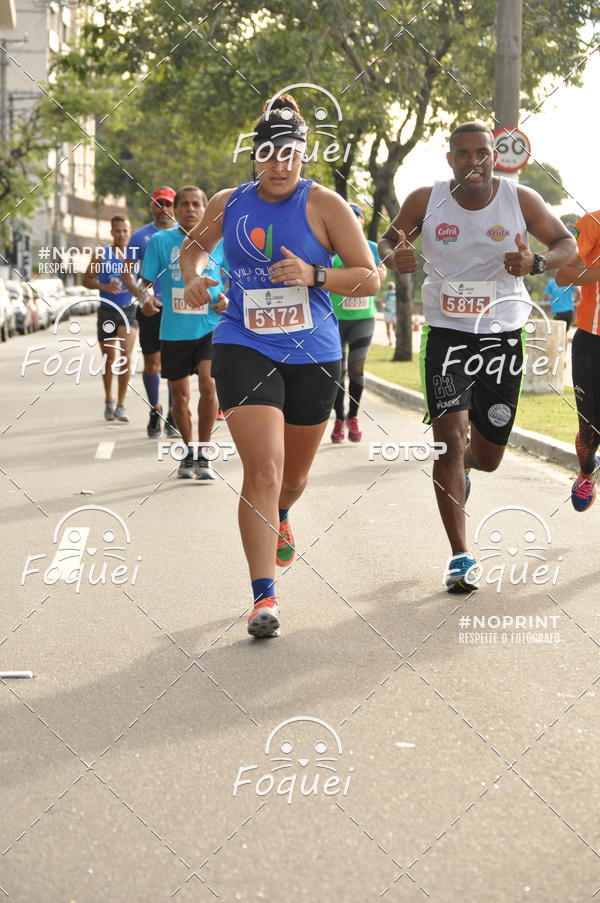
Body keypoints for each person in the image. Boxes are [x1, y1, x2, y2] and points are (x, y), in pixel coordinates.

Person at [180, 93, 380, 638]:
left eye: (288, 152)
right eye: (267, 152)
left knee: (292, 478)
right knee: (262, 470)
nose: (277, 163)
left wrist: (314, 276)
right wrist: (196, 277)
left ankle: (283, 515)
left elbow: (369, 277)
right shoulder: (230, 202)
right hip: (244, 342)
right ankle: (263, 597)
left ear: (303, 153)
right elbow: (193, 250)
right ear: (254, 153)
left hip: (314, 352)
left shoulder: (326, 206)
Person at [379, 121, 576, 592]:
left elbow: (566, 244)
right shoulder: (425, 200)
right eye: (463, 154)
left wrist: (536, 264)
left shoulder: (520, 199)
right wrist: (395, 256)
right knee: (448, 438)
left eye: (482, 153)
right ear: (450, 159)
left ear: (495, 156)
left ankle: (468, 468)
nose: (474, 162)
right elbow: (389, 241)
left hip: (501, 337)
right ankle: (460, 556)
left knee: (487, 458)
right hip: (446, 335)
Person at [137, 185, 227, 480]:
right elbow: (144, 282)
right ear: (175, 210)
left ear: (205, 210)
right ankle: (189, 452)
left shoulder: (220, 242)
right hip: (174, 330)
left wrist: (227, 299)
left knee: (209, 384)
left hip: (209, 328)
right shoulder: (161, 241)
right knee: (181, 396)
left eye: (196, 204)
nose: (190, 209)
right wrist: (145, 298)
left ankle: (205, 452)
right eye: (184, 204)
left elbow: (233, 279)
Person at [122, 187, 179, 438]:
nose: (163, 208)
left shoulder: (185, 234)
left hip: (179, 309)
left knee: (175, 365)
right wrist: (143, 296)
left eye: (167, 203)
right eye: (158, 203)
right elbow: (127, 273)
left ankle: (174, 413)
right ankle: (155, 410)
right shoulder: (139, 237)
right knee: (153, 363)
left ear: (174, 206)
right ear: (152, 206)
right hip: (150, 309)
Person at [329, 204, 386, 443]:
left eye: (357, 216)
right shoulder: (331, 250)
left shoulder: (372, 248)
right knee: (337, 371)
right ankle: (339, 419)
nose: (352, 219)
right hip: (334, 318)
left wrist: (378, 273)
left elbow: (381, 273)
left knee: (357, 367)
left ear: (362, 221)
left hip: (363, 318)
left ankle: (353, 416)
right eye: (348, 216)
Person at [556, 209, 600, 511]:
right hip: (592, 341)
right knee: (589, 433)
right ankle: (586, 472)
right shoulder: (593, 223)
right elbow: (563, 275)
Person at [83, 214, 138, 422]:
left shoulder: (135, 255)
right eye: (118, 231)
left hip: (128, 310)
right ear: (112, 232)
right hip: (107, 310)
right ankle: (109, 400)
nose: (122, 234)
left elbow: (146, 279)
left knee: (125, 357)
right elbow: (86, 279)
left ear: (130, 232)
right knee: (109, 360)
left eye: (125, 230)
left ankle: (121, 405)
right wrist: (104, 286)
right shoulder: (102, 254)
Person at [381, 281, 397, 345]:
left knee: (390, 327)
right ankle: (391, 341)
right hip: (392, 312)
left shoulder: (386, 293)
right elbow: (382, 302)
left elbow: (382, 302)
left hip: (390, 312)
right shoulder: (387, 293)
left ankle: (391, 340)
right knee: (393, 327)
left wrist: (383, 305)